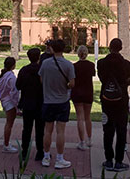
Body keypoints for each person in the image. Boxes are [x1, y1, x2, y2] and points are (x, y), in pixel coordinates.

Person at [97, 38, 130, 172]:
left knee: (107, 130)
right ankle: (119, 161)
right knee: (121, 131)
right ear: (121, 48)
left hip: (106, 100)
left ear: (109, 47)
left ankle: (108, 160)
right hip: (121, 101)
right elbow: (129, 81)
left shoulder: (101, 63)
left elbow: (101, 79)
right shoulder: (126, 65)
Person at [38, 39, 75, 169]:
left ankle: (46, 157)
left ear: (52, 49)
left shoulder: (45, 64)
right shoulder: (68, 65)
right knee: (60, 131)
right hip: (62, 101)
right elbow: (72, 83)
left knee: (47, 131)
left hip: (48, 101)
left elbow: (41, 80)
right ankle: (59, 158)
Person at [16, 47, 44, 161]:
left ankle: (24, 151)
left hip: (27, 102)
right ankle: (40, 151)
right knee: (40, 129)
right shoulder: (41, 70)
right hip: (40, 103)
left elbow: (18, 85)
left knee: (26, 129)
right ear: (38, 57)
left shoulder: (24, 70)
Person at [71, 45, 95, 150]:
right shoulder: (91, 65)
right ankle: (89, 139)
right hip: (88, 92)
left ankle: (81, 141)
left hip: (77, 92)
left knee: (79, 117)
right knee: (87, 117)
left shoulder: (74, 66)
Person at [0, 57, 19, 153]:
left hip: (4, 100)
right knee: (9, 124)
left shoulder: (3, 75)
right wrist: (17, 105)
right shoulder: (11, 77)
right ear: (13, 65)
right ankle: (6, 144)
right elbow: (14, 92)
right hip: (10, 101)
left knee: (8, 123)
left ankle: (6, 143)